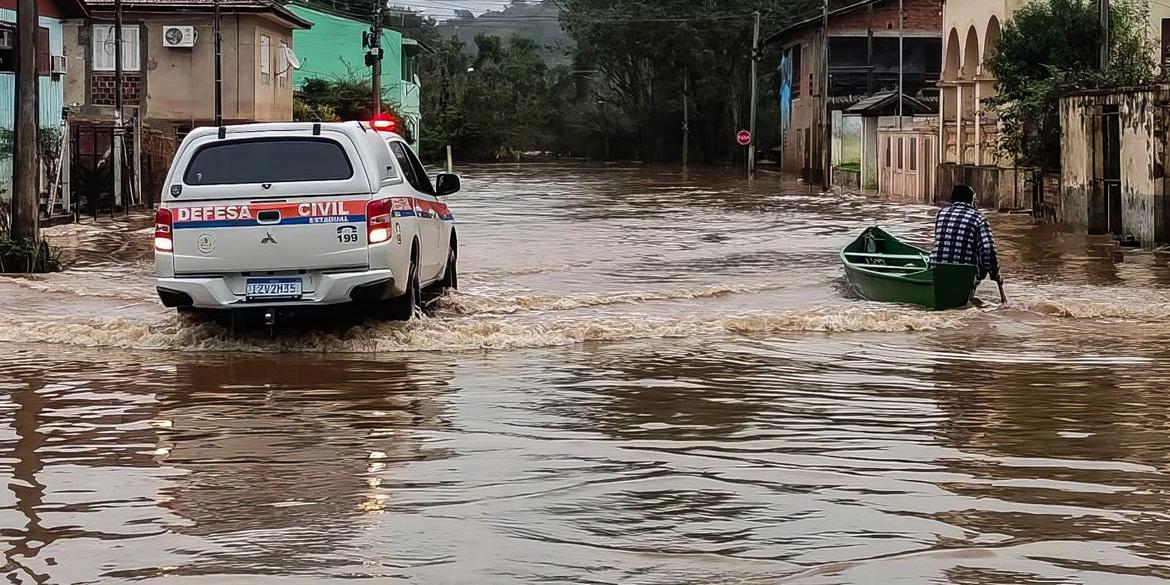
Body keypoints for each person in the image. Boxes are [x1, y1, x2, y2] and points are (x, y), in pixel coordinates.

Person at [930, 184, 1001, 284]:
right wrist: (994, 272)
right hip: (964, 273)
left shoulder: (940, 214)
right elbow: (988, 250)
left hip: (936, 268)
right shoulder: (979, 218)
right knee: (981, 256)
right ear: (971, 199)